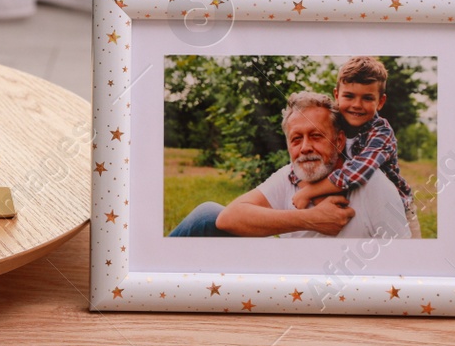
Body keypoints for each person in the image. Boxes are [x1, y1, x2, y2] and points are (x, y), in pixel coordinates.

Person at [168, 91, 409, 239]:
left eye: (316, 136)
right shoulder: (288, 176)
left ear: (338, 141)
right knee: (207, 214)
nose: (305, 147)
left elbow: (403, 265)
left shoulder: (373, 185)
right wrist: (310, 218)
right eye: (296, 139)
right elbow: (228, 218)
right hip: (287, 285)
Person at [289, 56, 422, 239]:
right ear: (337, 95)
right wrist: (299, 180)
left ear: (380, 101)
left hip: (396, 210)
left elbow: (358, 171)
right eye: (349, 96)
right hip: (356, 205)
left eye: (367, 98)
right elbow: (312, 154)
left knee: (408, 258)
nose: (356, 105)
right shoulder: (334, 125)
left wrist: (311, 191)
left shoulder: (381, 133)